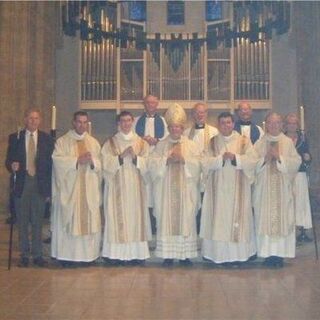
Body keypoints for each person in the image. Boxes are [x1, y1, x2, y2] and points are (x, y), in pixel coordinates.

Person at [200, 112, 257, 267]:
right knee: (219, 221)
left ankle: (239, 256)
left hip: (238, 190)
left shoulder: (244, 141)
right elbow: (204, 163)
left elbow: (253, 161)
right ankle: (217, 256)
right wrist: (220, 159)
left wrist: (236, 158)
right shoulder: (212, 142)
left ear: (233, 124)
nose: (226, 125)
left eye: (228, 122)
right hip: (217, 191)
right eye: (223, 123)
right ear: (219, 125)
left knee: (237, 220)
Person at [149, 103, 201, 267]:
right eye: (172, 127)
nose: (175, 130)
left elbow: (199, 165)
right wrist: (166, 161)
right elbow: (151, 165)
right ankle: (168, 255)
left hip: (186, 192)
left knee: (186, 220)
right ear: (169, 128)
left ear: (182, 128)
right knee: (166, 221)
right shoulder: (161, 145)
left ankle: (185, 255)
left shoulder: (191, 145)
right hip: (165, 193)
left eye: (178, 127)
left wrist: (184, 161)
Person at [51, 111, 102, 267]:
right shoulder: (62, 141)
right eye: (79, 122)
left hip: (88, 191)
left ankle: (88, 257)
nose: (82, 125)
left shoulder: (93, 142)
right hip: (70, 191)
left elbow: (100, 165)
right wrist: (76, 160)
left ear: (88, 123)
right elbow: (57, 161)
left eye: (84, 122)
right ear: (73, 123)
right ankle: (66, 257)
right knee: (70, 220)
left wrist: (92, 161)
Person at [101, 111, 151, 266]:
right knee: (116, 220)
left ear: (132, 122)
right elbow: (104, 165)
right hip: (117, 189)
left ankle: (137, 255)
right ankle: (115, 255)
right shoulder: (110, 143)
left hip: (136, 190)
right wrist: (120, 158)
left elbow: (149, 165)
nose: (126, 124)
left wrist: (136, 158)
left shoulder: (142, 143)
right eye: (123, 121)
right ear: (118, 123)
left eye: (129, 121)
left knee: (136, 220)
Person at [5, 108, 54, 267]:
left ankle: (38, 255)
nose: (33, 121)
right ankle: (24, 255)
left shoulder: (46, 139)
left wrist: (48, 190)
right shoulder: (16, 137)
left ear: (40, 121)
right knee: (23, 221)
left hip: (39, 184)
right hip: (22, 182)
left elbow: (50, 166)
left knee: (38, 221)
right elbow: (8, 161)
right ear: (25, 119)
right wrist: (12, 165)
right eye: (31, 118)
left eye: (36, 118)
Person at [253, 112, 301, 268]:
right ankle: (267, 254)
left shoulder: (287, 142)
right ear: (266, 124)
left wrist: (280, 157)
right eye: (270, 123)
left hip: (282, 190)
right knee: (265, 219)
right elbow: (250, 164)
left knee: (282, 219)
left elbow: (296, 162)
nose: (273, 126)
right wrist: (264, 159)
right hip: (264, 191)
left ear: (282, 125)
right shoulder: (260, 143)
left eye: (277, 123)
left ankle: (279, 254)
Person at [134, 95, 168, 234]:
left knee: (158, 195)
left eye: (153, 102)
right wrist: (143, 140)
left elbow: (167, 139)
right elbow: (132, 139)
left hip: (158, 163)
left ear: (157, 104)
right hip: (142, 162)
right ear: (144, 104)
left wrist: (157, 140)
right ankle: (145, 227)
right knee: (144, 195)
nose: (151, 105)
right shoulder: (136, 121)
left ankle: (158, 227)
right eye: (148, 102)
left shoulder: (165, 122)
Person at [184, 102, 218, 234]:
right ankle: (195, 229)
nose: (199, 115)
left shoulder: (215, 132)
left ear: (206, 114)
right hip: (192, 175)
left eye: (202, 112)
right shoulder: (186, 133)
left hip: (208, 174)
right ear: (192, 115)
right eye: (197, 112)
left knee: (207, 203)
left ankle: (207, 230)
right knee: (193, 204)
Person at [284, 112, 313, 243]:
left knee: (301, 202)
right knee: (289, 201)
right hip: (287, 174)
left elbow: (307, 154)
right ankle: (289, 229)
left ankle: (301, 230)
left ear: (297, 125)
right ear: (286, 125)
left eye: (294, 123)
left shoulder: (302, 138)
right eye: (289, 123)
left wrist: (308, 158)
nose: (292, 126)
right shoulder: (282, 138)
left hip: (300, 173)